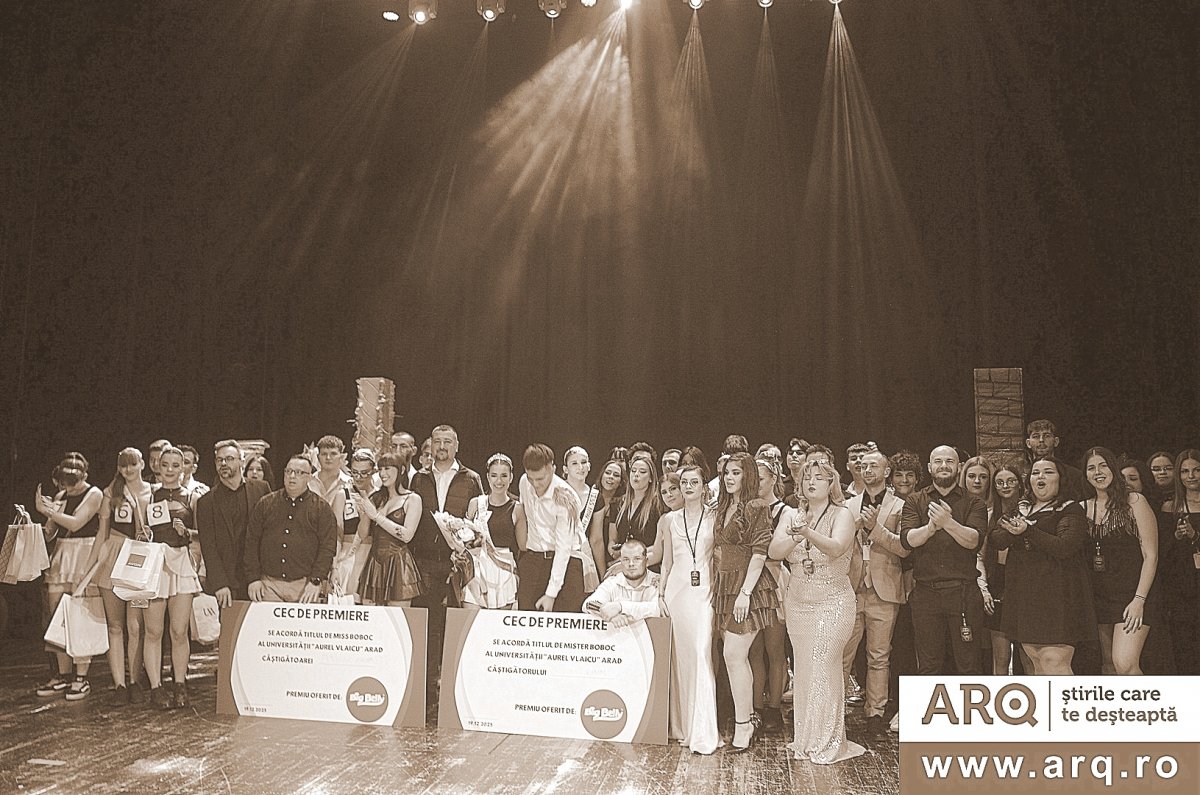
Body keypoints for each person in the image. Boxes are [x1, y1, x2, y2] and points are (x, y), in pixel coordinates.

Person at [768, 456, 864, 764]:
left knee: (824, 665)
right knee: (806, 670)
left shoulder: (843, 513)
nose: (811, 482)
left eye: (819, 477)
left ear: (831, 482)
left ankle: (828, 741)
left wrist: (807, 533)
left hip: (833, 601)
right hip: (798, 601)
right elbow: (774, 551)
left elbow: (837, 548)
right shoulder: (792, 514)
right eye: (807, 477)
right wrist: (796, 534)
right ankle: (807, 739)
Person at [991, 456, 1095, 674]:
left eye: (1048, 472)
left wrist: (1028, 530)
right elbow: (997, 539)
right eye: (1036, 472)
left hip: (1058, 597)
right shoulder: (1022, 508)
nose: (1041, 477)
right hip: (1026, 597)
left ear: (1060, 479)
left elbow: (1065, 546)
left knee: (1053, 661)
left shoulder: (1070, 509)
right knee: (1037, 662)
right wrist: (1017, 528)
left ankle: (1065, 699)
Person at [712, 452, 778, 752]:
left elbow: (760, 552)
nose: (729, 478)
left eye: (736, 472)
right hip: (726, 586)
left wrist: (745, 593)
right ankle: (747, 720)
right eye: (726, 472)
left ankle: (743, 727)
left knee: (733, 656)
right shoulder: (724, 506)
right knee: (736, 658)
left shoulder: (757, 506)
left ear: (747, 475)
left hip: (748, 587)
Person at [900, 445, 986, 675]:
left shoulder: (974, 502)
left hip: (963, 593)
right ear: (930, 468)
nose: (944, 466)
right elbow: (908, 540)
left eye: (949, 461)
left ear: (959, 467)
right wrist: (931, 528)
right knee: (928, 665)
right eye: (938, 461)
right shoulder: (915, 500)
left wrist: (948, 522)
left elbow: (974, 541)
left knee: (969, 665)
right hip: (926, 594)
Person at [840, 449, 908, 735]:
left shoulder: (901, 505)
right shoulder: (847, 505)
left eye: (873, 466)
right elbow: (839, 545)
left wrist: (875, 529)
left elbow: (904, 547)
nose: (867, 470)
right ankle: (834, 712)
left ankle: (875, 714)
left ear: (886, 471)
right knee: (842, 653)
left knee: (879, 656)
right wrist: (857, 526)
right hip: (851, 587)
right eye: (863, 465)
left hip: (884, 588)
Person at [658, 466, 720, 754]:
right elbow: (667, 562)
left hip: (704, 591)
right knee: (681, 658)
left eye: (694, 482)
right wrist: (661, 593)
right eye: (684, 482)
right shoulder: (670, 519)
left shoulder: (715, 516)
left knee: (700, 652)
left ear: (703, 486)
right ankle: (683, 727)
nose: (688, 486)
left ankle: (703, 730)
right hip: (677, 593)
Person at [83, 448, 153, 703]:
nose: (128, 469)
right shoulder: (110, 493)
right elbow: (101, 533)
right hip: (112, 559)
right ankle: (120, 685)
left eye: (132, 464)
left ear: (142, 464)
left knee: (136, 626)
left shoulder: (153, 492)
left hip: (139, 562)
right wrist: (88, 571)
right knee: (115, 626)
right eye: (123, 465)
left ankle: (135, 681)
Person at [1083, 447, 1159, 675]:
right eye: (1091, 468)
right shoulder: (1082, 507)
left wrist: (1139, 600)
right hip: (1099, 596)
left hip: (1133, 595)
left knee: (1125, 664)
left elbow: (1151, 555)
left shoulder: (1135, 501)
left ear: (1114, 469)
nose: (1098, 472)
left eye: (1103, 465)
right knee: (1108, 666)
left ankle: (1147, 702)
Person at [33, 454, 103, 701]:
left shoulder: (94, 494)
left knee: (80, 616)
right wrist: (34, 525)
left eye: (73, 481)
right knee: (57, 616)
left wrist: (46, 510)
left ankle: (80, 677)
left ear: (84, 475)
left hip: (84, 554)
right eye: (65, 482)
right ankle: (62, 674)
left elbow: (75, 523)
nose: (69, 487)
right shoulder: (61, 496)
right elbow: (52, 531)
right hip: (63, 555)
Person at [409, 425, 483, 653]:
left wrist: (466, 550)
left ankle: (452, 672)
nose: (442, 446)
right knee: (427, 625)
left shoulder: (471, 479)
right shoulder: (419, 478)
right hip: (425, 563)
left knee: (457, 625)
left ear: (456, 446)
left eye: (447, 442)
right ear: (431, 445)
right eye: (437, 441)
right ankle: (429, 675)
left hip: (457, 564)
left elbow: (479, 522)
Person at [144, 446, 203, 708]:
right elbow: (138, 531)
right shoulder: (148, 495)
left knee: (179, 631)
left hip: (181, 563)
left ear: (184, 468)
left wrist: (187, 532)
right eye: (164, 464)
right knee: (153, 630)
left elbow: (202, 534)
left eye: (175, 465)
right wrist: (143, 535)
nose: (169, 470)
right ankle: (156, 688)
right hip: (155, 565)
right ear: (157, 466)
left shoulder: (193, 498)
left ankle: (180, 684)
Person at [244, 455, 338, 603]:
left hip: (306, 586)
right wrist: (253, 578)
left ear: (309, 477)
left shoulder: (322, 508)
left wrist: (316, 580)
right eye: (289, 471)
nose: (292, 476)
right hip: (268, 585)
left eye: (299, 472)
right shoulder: (265, 504)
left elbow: (328, 547)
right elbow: (251, 542)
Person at [516, 443, 598, 613]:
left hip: (566, 564)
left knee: (564, 623)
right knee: (526, 621)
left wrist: (551, 593)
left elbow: (563, 547)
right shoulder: (524, 482)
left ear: (552, 469)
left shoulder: (566, 497)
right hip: (533, 560)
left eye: (540, 479)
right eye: (531, 478)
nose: (535, 484)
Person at [195, 440, 271, 608]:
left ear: (241, 461)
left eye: (229, 458)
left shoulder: (261, 489)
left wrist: (260, 576)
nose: (223, 463)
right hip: (227, 584)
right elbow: (208, 546)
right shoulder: (206, 502)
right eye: (219, 460)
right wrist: (220, 583)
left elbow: (269, 534)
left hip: (259, 579)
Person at [750, 456, 792, 733]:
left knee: (775, 649)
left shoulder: (785, 512)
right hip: (748, 582)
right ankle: (755, 707)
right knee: (753, 651)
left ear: (774, 478)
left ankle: (774, 708)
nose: (756, 484)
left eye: (761, 479)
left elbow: (774, 549)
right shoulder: (745, 507)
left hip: (774, 582)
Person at [981, 462, 1032, 676]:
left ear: (1020, 483)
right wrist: (984, 587)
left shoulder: (1030, 509)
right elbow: (981, 554)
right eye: (1000, 482)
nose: (1005, 486)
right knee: (1001, 656)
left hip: (1024, 582)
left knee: (1028, 656)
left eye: (1011, 481)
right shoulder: (989, 513)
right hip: (997, 581)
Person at [354, 452, 424, 607]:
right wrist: (365, 512)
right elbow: (363, 534)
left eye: (387, 468)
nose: (382, 473)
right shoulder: (376, 498)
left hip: (398, 564)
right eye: (380, 469)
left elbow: (407, 535)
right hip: (374, 563)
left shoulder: (412, 499)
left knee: (397, 617)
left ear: (402, 470)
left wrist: (376, 516)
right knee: (372, 617)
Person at [461, 453, 521, 609]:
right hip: (477, 570)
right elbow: (465, 538)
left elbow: (523, 545)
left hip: (504, 571)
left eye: (504, 476)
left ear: (511, 477)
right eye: (494, 475)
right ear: (487, 477)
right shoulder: (475, 504)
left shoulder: (517, 508)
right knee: (472, 621)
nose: (499, 481)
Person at [1160, 449, 1200, 674]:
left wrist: (1195, 536)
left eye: (1196, 470)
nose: (1191, 476)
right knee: (1184, 647)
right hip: (1181, 589)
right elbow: (1163, 554)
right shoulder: (1170, 506)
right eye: (1185, 471)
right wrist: (1176, 536)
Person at [583, 538, 661, 626]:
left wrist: (620, 607)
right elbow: (588, 604)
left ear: (646, 561)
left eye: (637, 559)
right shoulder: (612, 582)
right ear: (621, 562)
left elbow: (657, 609)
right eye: (626, 559)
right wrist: (608, 614)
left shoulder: (658, 581)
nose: (631, 564)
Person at [607, 456, 663, 566]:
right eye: (633, 471)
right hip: (621, 562)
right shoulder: (618, 504)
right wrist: (613, 550)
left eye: (642, 472)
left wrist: (631, 556)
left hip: (648, 564)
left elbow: (660, 546)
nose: (636, 474)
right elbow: (612, 539)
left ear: (650, 478)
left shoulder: (658, 505)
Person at [1025, 420, 1088, 502]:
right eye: (1036, 436)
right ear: (1028, 443)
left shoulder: (1075, 475)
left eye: (1047, 436)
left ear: (1056, 441)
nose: (1041, 440)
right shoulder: (1021, 476)